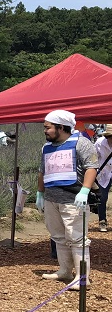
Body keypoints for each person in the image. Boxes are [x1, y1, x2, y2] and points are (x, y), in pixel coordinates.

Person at [36, 110, 99, 289]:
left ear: (61, 127)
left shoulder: (82, 143)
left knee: (77, 237)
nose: (45, 131)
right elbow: (42, 171)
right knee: (58, 236)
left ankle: (82, 277)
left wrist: (85, 191)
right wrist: (40, 193)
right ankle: (65, 270)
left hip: (73, 200)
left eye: (47, 128)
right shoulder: (46, 147)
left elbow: (91, 167)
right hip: (51, 199)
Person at [94, 128, 111, 233]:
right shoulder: (99, 143)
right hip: (104, 173)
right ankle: (102, 221)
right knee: (102, 197)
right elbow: (93, 158)